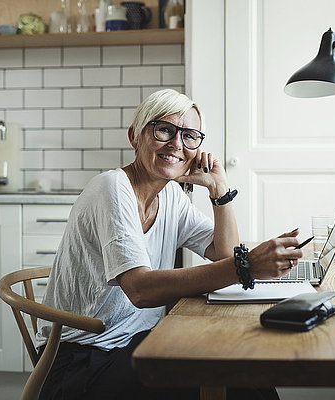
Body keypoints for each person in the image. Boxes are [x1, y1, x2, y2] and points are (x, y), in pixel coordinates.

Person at [36, 89, 302, 400]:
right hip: (83, 359)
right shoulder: (111, 188)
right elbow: (140, 289)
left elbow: (224, 256)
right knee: (237, 382)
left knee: (246, 371)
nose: (177, 144)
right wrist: (247, 265)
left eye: (189, 136)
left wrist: (220, 191)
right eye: (164, 130)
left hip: (140, 343)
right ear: (135, 136)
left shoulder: (171, 196)